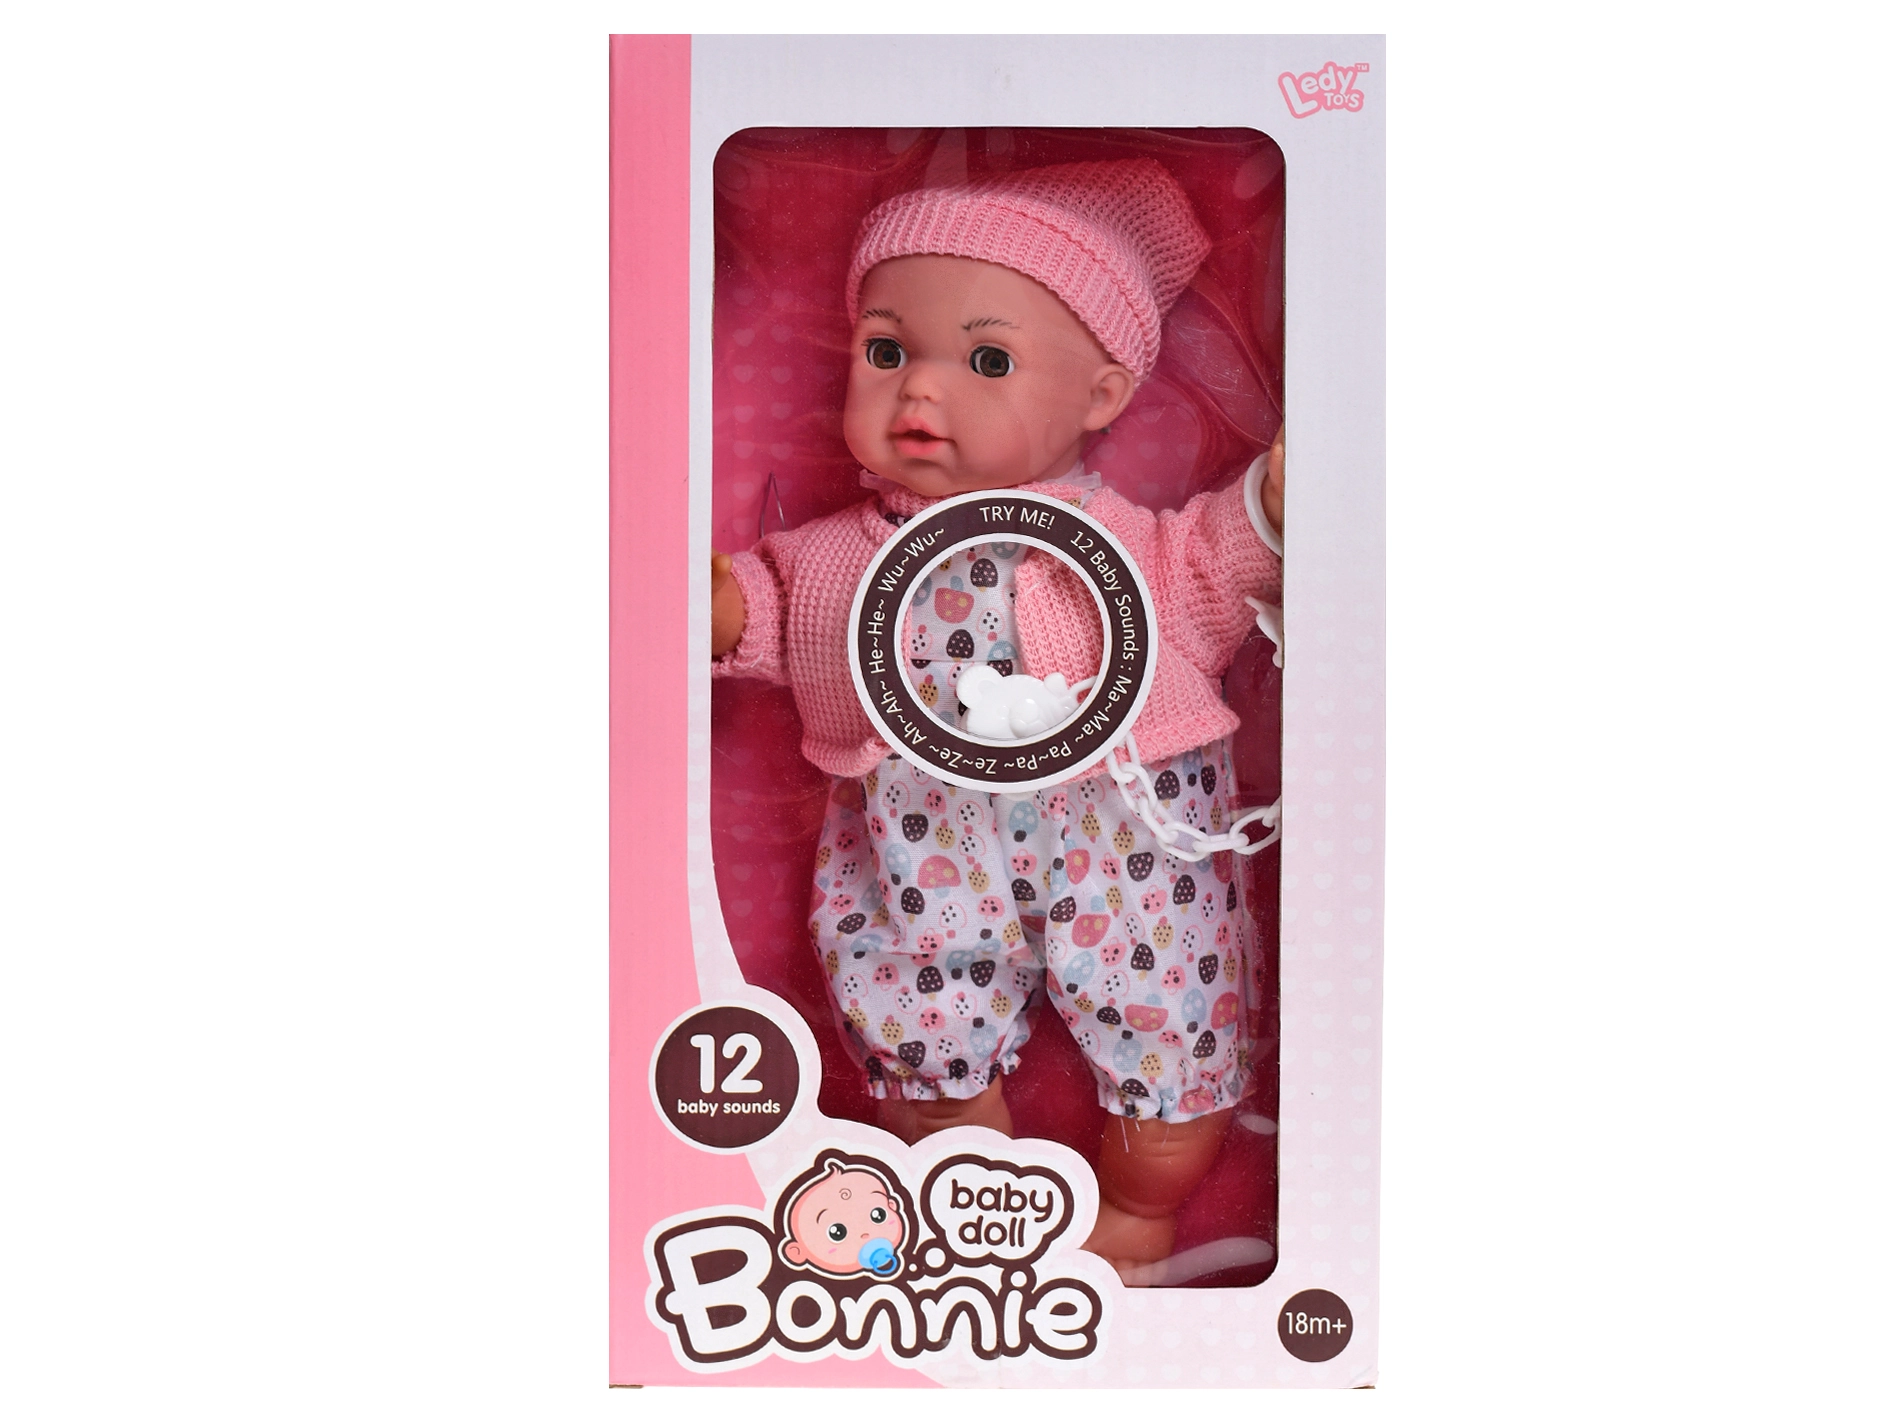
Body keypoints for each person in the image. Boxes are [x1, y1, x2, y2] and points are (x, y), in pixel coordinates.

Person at [710, 160, 1284, 1278]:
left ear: (1103, 395)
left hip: (1126, 846)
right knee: (918, 1027)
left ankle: (1138, 1213)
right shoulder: (839, 563)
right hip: (920, 853)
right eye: (887, 351)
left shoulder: (1136, 557)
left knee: (1172, 1021)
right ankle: (978, 1217)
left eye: (986, 361)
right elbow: (769, 607)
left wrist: (1275, 500)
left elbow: (1220, 561)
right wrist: (714, 602)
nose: (919, 394)